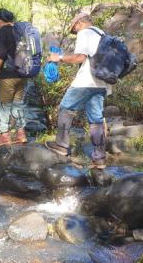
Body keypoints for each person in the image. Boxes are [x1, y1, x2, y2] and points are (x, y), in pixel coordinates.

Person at [45, 12, 112, 169]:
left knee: (65, 108)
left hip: (85, 82)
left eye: (74, 29)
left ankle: (61, 145)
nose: (75, 32)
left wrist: (58, 58)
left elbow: (79, 57)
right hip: (102, 83)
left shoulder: (85, 33)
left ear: (79, 24)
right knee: (96, 119)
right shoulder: (102, 34)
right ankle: (99, 158)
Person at [0, 8, 27, 146]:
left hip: (9, 74)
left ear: (0, 21)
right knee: (18, 104)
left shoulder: (3, 30)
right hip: (24, 73)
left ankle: (4, 136)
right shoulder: (21, 30)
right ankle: (21, 134)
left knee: (4, 105)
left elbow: (2, 53)